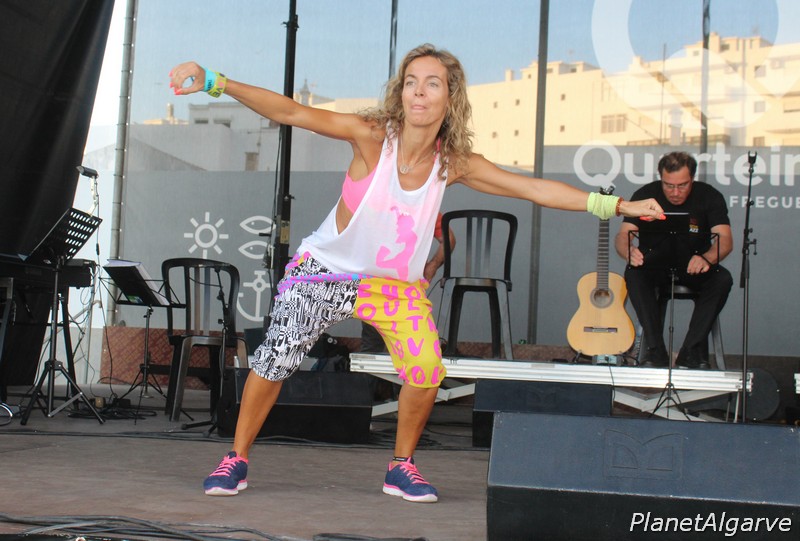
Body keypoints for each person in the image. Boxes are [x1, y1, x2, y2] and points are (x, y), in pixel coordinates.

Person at [169, 44, 664, 503]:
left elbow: (532, 189)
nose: (419, 92)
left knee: (427, 370)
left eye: (432, 83)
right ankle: (236, 458)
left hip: (393, 287)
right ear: (400, 92)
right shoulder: (372, 137)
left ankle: (400, 466)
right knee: (274, 360)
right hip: (324, 272)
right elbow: (292, 113)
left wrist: (617, 205)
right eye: (411, 82)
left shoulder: (454, 163)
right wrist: (215, 81)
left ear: (450, 97)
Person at [614, 151, 733, 369]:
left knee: (722, 279)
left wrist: (706, 258)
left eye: (682, 185)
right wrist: (628, 251)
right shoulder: (645, 194)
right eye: (668, 186)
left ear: (692, 179)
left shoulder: (709, 196)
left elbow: (725, 239)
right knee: (633, 273)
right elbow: (623, 235)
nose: (675, 192)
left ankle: (691, 351)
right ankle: (655, 351)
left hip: (694, 266)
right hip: (654, 266)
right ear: (661, 178)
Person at [360, 212, 454, 354]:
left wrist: (433, 266)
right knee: (375, 345)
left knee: (382, 346)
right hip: (380, 287)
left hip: (400, 288)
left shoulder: (424, 207)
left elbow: (449, 239)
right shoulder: (379, 206)